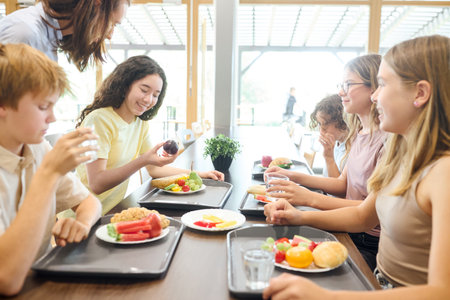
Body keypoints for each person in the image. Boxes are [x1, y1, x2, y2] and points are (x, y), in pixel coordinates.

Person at [263, 34, 450, 300]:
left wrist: (325, 296)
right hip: (377, 281)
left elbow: (442, 292)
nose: (375, 96)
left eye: (382, 84)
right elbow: (364, 216)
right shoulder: (401, 153)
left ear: (420, 93)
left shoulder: (443, 172)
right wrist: (298, 216)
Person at [265, 54, 386, 270]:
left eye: (348, 85)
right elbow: (341, 183)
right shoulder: (360, 132)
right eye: (341, 85)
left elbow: (367, 213)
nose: (341, 92)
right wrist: (291, 176)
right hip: (348, 228)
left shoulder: (387, 142)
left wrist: (309, 199)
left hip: (367, 242)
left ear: (374, 88)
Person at [0, 43, 102, 296]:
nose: (52, 118)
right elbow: (6, 279)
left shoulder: (37, 148)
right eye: (43, 107)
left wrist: (82, 223)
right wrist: (49, 174)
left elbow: (90, 202)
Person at [75, 55, 224, 215]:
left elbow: (153, 169)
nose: (148, 99)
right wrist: (142, 160)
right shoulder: (99, 120)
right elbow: (97, 183)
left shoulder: (140, 123)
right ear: (125, 85)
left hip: (111, 212)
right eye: (144, 90)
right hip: (81, 217)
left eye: (155, 95)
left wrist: (199, 175)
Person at [0, 0, 129, 71]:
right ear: (96, 5)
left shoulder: (50, 38)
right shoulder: (25, 33)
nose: (109, 36)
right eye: (112, 24)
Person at [309, 94, 349, 177]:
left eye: (325, 125)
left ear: (342, 123)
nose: (321, 130)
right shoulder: (335, 143)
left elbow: (338, 188)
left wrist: (329, 158)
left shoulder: (351, 149)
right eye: (319, 124)